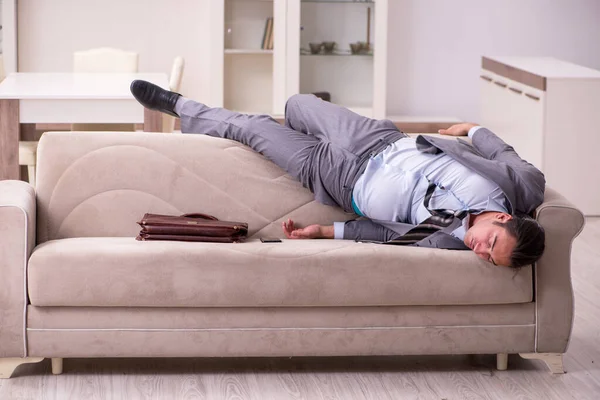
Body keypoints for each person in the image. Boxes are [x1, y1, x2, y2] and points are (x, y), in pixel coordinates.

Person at [130, 80, 546, 268]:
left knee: (251, 130)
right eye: (492, 243)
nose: (480, 250)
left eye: (490, 259)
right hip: (375, 140)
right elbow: (503, 152)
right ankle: (288, 129)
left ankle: (179, 105)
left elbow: (389, 235)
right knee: (297, 103)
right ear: (505, 218)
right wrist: (471, 130)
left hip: (341, 180)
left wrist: (325, 232)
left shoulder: (451, 242)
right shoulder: (520, 187)